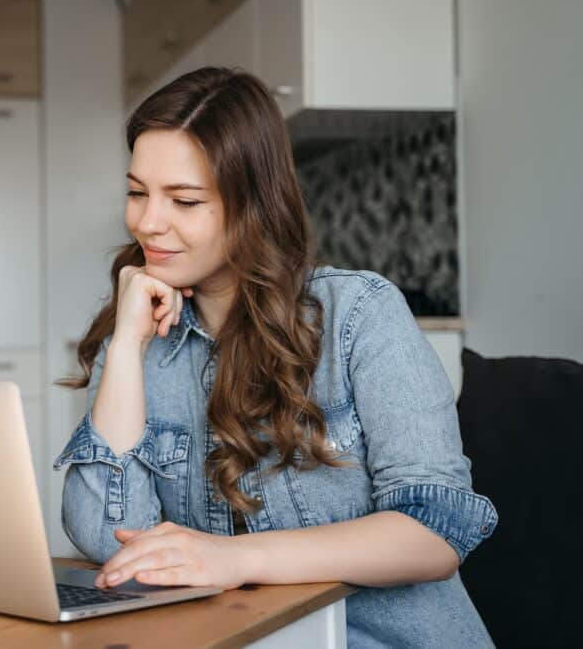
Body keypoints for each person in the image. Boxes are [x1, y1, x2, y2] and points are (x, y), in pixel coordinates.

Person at [53, 67, 498, 647]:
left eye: (184, 200)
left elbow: (433, 533)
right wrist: (126, 349)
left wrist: (236, 558)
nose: (147, 223)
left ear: (253, 204)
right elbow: (107, 534)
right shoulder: (140, 335)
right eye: (137, 192)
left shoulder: (359, 314)